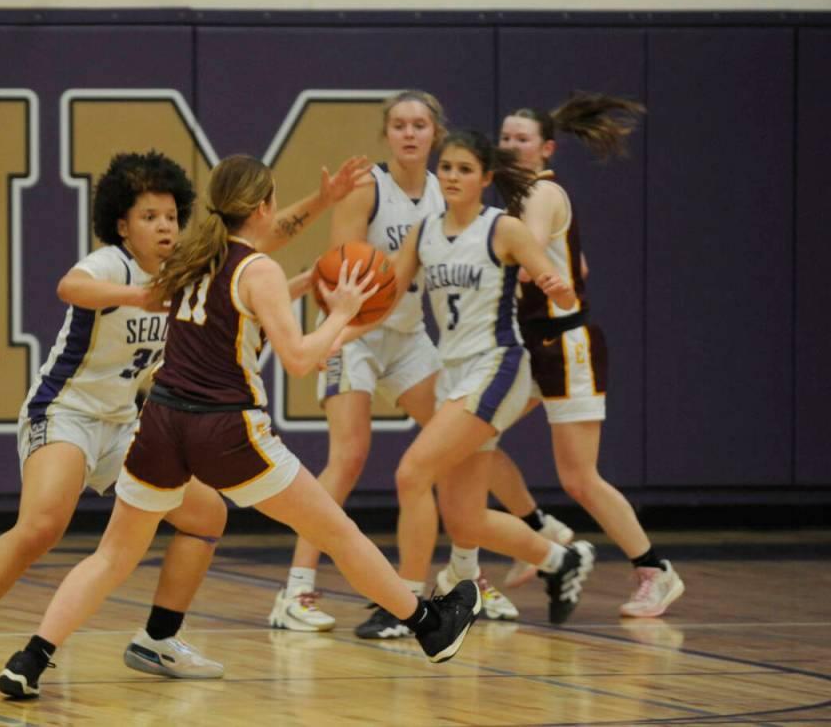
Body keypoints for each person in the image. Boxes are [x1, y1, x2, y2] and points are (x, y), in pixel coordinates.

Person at [0, 154, 480, 699]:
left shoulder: (192, 257)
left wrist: (304, 281)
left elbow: (237, 305)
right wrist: (342, 314)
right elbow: (298, 358)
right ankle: (429, 625)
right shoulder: (258, 270)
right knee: (336, 532)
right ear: (262, 206)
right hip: (226, 429)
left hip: (160, 423)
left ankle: (30, 658)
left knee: (111, 556)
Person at [0, 149, 370, 689]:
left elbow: (260, 236)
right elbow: (69, 287)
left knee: (207, 517)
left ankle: (157, 640)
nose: (163, 226)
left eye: (172, 216)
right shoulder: (112, 264)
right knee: (43, 524)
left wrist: (323, 201)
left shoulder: (190, 267)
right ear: (122, 225)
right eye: (149, 217)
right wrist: (140, 296)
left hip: (125, 422)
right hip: (66, 410)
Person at [270, 91, 527, 638]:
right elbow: (346, 273)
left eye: (419, 125)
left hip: (410, 338)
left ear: (435, 133)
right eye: (399, 125)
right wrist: (359, 306)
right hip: (359, 337)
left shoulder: (446, 192)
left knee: (461, 449)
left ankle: (468, 577)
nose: (409, 134)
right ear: (386, 134)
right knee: (350, 457)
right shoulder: (368, 188)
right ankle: (295, 590)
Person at [384, 129, 598, 627]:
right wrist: (341, 312)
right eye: (448, 167)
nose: (452, 176)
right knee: (465, 518)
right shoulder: (425, 232)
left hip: (497, 366)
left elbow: (561, 292)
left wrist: (558, 287)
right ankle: (562, 559)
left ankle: (408, 606)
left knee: (412, 473)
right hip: (452, 373)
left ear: (486, 179)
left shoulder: (503, 229)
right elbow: (388, 293)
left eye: (464, 169)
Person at [494, 93, 685, 617]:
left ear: (545, 148)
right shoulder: (520, 199)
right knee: (472, 442)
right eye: (505, 137)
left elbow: (530, 259)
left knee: (579, 478)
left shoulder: (541, 194)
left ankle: (655, 569)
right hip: (533, 342)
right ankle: (539, 529)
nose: (510, 145)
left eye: (521, 139)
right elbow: (576, 261)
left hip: (566, 343)